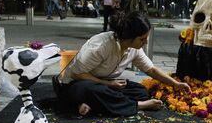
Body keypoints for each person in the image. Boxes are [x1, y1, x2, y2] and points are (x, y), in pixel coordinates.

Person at [54, 11, 190, 116]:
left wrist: (176, 84)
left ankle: (93, 105)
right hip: (76, 85)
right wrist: (108, 84)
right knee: (96, 90)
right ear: (129, 37)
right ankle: (138, 105)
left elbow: (151, 70)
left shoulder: (133, 48)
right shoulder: (101, 46)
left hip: (103, 83)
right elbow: (77, 74)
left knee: (140, 91)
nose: (146, 43)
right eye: (142, 39)